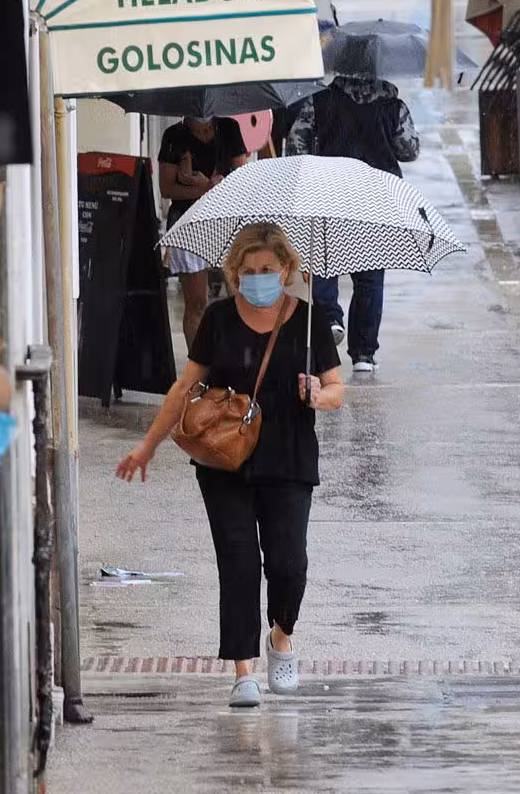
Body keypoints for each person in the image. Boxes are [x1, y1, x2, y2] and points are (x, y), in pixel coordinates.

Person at [116, 222, 344, 708]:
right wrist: (148, 446)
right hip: (225, 462)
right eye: (249, 269)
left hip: (289, 457)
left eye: (268, 269)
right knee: (238, 562)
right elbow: (184, 388)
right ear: (235, 273)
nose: (258, 277)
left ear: (287, 269)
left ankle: (280, 638)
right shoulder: (218, 319)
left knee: (289, 563)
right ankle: (244, 671)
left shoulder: (309, 319)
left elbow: (337, 387)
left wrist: (318, 395)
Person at [286, 76, 420, 372]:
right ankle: (363, 352)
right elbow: (409, 150)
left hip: (330, 191)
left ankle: (330, 319)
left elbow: (296, 145)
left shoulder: (319, 100)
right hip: (378, 196)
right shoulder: (393, 106)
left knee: (325, 262)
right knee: (370, 276)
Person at [157, 116, 249, 348]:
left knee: (239, 296)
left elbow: (243, 181)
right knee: (197, 303)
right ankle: (198, 370)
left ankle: (238, 360)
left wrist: (210, 186)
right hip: (188, 222)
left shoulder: (229, 128)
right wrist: (207, 187)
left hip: (226, 219)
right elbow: (167, 188)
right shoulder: (173, 135)